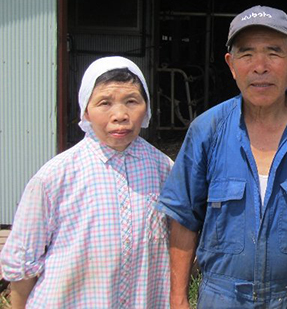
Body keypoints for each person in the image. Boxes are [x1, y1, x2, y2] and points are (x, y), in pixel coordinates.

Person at [158, 5, 287, 308]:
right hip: (223, 297)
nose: (260, 66)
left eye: (274, 53)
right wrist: (178, 298)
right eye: (247, 54)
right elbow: (184, 218)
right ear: (231, 64)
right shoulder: (207, 130)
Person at [0, 56, 172, 309]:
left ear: (146, 108)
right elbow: (24, 262)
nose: (120, 115)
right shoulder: (55, 177)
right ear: (86, 110)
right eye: (105, 103)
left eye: (132, 101)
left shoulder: (164, 169)